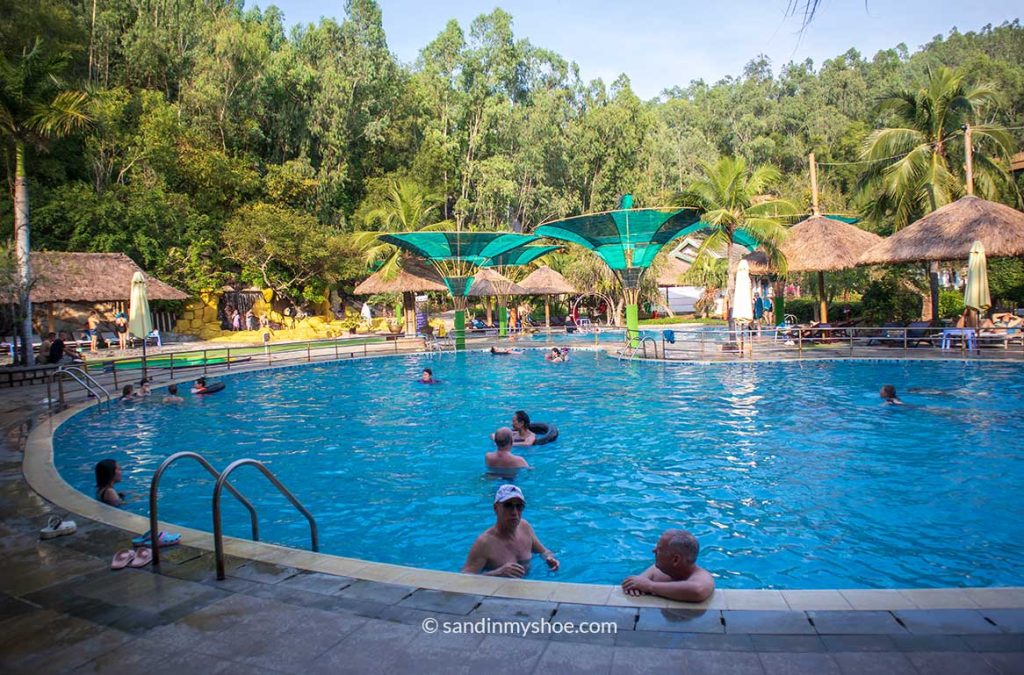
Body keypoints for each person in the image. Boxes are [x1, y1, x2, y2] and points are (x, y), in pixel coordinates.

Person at [461, 485, 558, 578]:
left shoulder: (525, 527)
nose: (514, 512)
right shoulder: (484, 543)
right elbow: (464, 578)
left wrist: (549, 558)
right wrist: (496, 574)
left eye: (519, 506)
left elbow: (544, 551)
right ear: (496, 508)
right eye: (508, 505)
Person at [621, 529, 715, 602]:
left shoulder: (701, 576)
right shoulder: (657, 569)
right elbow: (636, 583)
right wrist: (636, 586)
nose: (653, 551)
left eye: (659, 549)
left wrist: (650, 586)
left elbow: (697, 591)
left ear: (675, 559)